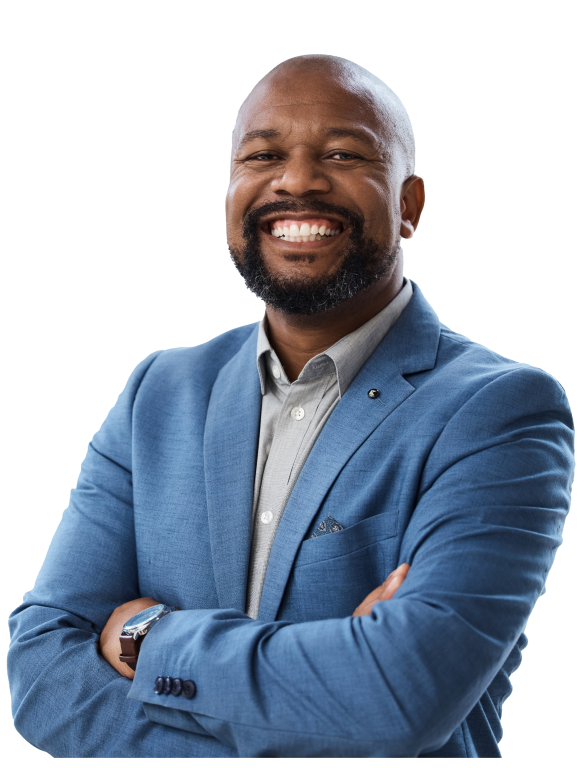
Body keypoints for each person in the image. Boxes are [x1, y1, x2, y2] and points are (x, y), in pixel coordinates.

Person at [7, 55, 574, 758]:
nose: (297, 180)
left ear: (409, 207)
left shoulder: (498, 410)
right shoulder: (160, 390)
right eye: (263, 155)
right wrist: (328, 681)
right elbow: (41, 673)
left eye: (342, 153)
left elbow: (399, 696)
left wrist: (148, 636)